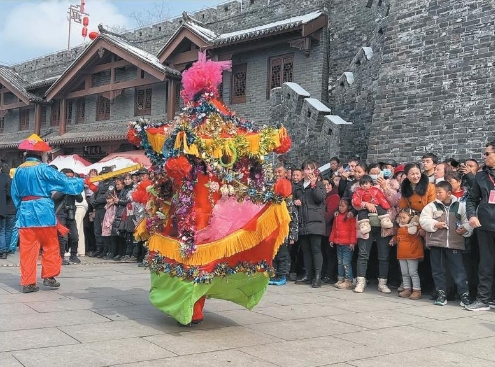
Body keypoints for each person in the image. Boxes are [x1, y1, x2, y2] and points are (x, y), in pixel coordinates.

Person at [11, 137, 84, 293]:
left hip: (25, 214)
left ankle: (28, 283)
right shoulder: (44, 169)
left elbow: (15, 195)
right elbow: (64, 182)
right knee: (51, 246)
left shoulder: (18, 171)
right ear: (41, 155)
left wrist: (23, 207)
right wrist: (81, 182)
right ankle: (49, 277)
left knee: (27, 250)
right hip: (44, 213)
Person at [420, 181, 472, 307]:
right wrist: (435, 224)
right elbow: (423, 220)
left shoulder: (460, 206)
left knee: (459, 271)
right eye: (436, 192)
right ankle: (441, 294)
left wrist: (465, 229)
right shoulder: (432, 206)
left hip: (455, 243)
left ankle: (464, 294)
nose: (437, 194)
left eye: (440, 192)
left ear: (449, 193)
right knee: (438, 270)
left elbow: (467, 221)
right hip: (436, 243)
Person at [465, 140, 495, 311]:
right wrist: (471, 215)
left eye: (487, 153)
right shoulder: (481, 176)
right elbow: (471, 199)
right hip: (485, 225)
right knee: (486, 263)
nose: (484, 157)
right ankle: (483, 299)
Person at [293, 160, 326, 288]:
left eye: (312, 169)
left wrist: (313, 185)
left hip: (316, 221)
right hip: (302, 221)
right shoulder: (298, 186)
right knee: (305, 250)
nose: (309, 171)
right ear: (303, 171)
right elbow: (297, 200)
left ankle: (317, 276)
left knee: (316, 249)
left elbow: (319, 198)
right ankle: (308, 274)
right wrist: (297, 201)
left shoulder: (320, 185)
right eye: (307, 169)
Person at [269, 171, 298, 286]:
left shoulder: (289, 203)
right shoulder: (275, 202)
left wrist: (292, 236)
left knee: (283, 255)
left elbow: (294, 220)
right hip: (275, 233)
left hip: (285, 235)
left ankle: (282, 275)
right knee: (274, 254)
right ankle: (275, 274)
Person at [52, 168, 84, 265]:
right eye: (68, 177)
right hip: (60, 213)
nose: (70, 179)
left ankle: (73, 255)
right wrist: (65, 188)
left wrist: (74, 189)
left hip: (71, 213)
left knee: (74, 236)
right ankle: (60, 257)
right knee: (62, 237)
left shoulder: (72, 186)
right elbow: (55, 197)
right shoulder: (57, 185)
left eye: (71, 177)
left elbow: (80, 199)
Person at [395, 208, 423, 299]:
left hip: (412, 253)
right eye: (400, 218)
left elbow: (421, 232)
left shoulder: (415, 227)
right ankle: (407, 289)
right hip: (401, 253)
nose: (402, 220)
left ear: (410, 217)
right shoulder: (400, 227)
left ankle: (417, 290)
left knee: (413, 272)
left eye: (404, 217)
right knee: (404, 272)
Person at [329, 198, 356, 290]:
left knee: (346, 262)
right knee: (340, 262)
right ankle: (340, 279)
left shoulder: (350, 217)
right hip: (338, 242)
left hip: (347, 243)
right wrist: (332, 239)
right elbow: (333, 229)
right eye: (340, 206)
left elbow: (353, 230)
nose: (341, 208)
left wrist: (352, 242)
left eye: (343, 206)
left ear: (348, 207)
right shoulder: (337, 216)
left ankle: (348, 280)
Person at [0, 163, 16, 259]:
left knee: (2, 230)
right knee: (9, 230)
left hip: (3, 208)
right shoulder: (12, 181)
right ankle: (6, 249)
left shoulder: (2, 180)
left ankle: (2, 250)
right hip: (12, 209)